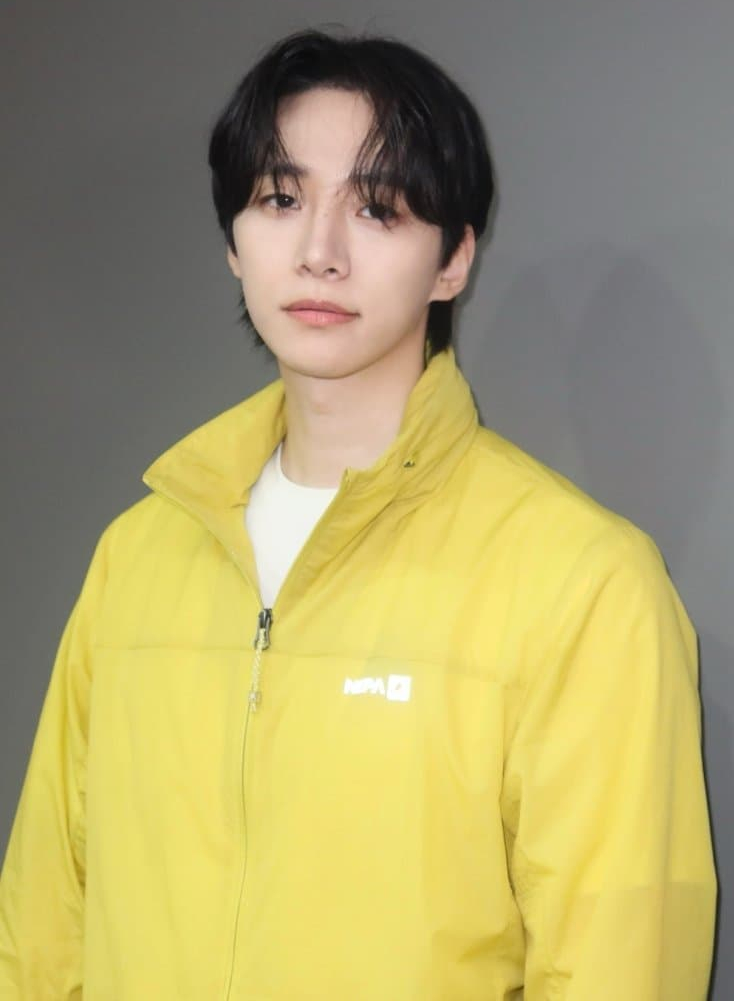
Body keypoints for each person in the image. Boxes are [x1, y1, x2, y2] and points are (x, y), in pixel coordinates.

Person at [0, 27, 717, 1000]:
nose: (319, 253)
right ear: (233, 241)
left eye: (378, 208)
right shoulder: (137, 556)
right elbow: (42, 930)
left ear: (453, 258)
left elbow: (617, 964)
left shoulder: (583, 582)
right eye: (280, 199)